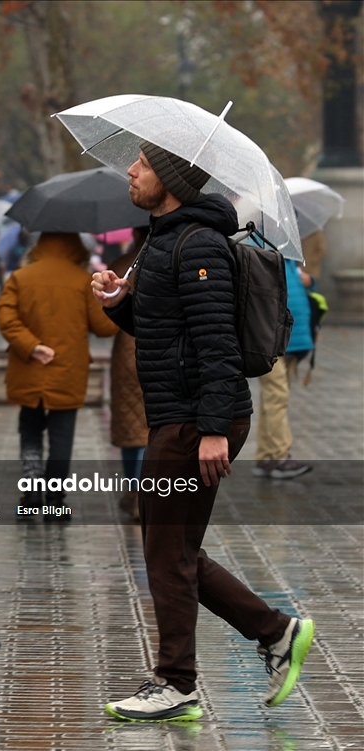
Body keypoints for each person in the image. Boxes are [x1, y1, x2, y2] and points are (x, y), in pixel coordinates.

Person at [91, 141, 314, 722]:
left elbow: (217, 344)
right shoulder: (163, 240)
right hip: (179, 414)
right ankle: (277, 631)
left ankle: (177, 683)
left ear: (169, 179)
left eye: (143, 164)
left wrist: (213, 430)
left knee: (167, 552)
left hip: (195, 420)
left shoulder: (198, 245)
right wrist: (119, 303)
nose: (131, 170)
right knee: (175, 548)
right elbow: (165, 329)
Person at [0, 231, 118, 515]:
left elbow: (5, 316)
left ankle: (31, 495)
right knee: (62, 438)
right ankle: (54, 501)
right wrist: (111, 297)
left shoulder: (20, 278)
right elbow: (104, 328)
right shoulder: (82, 281)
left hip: (28, 368)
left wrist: (32, 345)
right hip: (68, 371)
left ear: (40, 246)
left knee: (30, 431)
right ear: (76, 248)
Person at [252, 255, 315, 479]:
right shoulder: (261, 255)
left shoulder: (289, 259)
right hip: (271, 340)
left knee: (273, 399)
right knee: (277, 396)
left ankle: (266, 456)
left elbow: (297, 290)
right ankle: (281, 456)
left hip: (292, 340)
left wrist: (311, 282)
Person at [108, 227, 150, 521]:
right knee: (149, 427)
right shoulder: (168, 258)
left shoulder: (122, 264)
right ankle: (142, 495)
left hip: (125, 353)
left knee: (129, 425)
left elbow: (104, 320)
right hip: (157, 349)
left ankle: (132, 490)